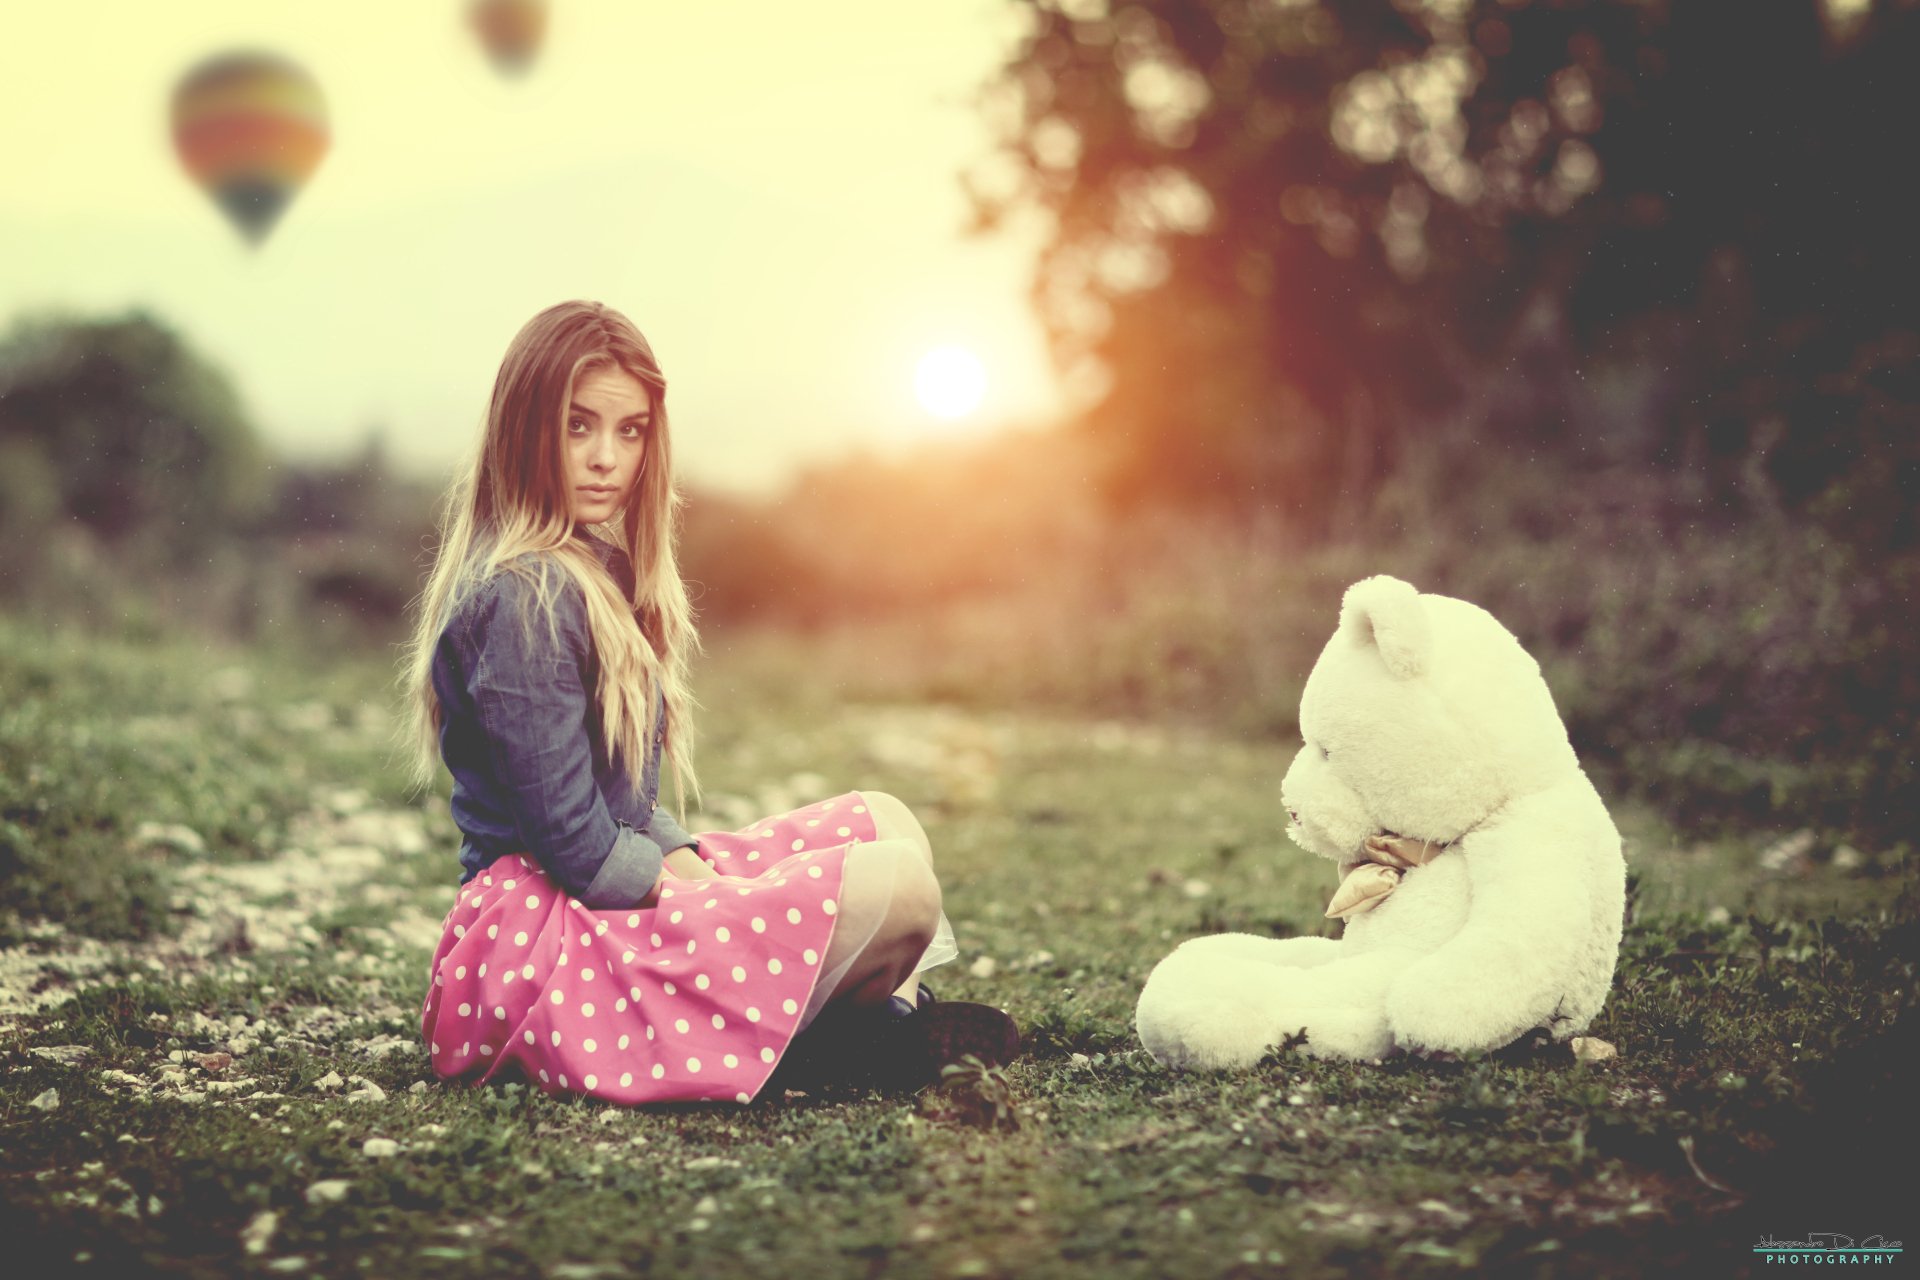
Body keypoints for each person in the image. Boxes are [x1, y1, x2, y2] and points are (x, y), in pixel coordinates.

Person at [402, 300, 1017, 1104]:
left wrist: (688, 857)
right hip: (539, 937)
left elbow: (620, 798)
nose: (605, 459)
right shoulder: (526, 594)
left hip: (597, 891)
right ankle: (862, 1037)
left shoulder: (592, 569)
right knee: (900, 892)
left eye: (629, 432)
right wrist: (701, 893)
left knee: (887, 821)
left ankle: (863, 1030)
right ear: (525, 429)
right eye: (578, 426)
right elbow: (572, 840)